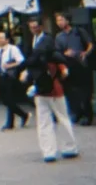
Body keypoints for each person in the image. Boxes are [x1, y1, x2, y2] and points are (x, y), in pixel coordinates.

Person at [21, 18, 79, 162]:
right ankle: (66, 148)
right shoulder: (49, 46)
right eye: (31, 27)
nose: (33, 29)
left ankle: (51, 151)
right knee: (59, 118)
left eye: (35, 27)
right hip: (51, 87)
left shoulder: (35, 46)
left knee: (47, 120)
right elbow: (62, 67)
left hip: (42, 86)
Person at [54, 11, 94, 126]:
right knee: (72, 92)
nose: (59, 23)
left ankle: (87, 115)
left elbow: (90, 44)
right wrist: (64, 54)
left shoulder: (79, 31)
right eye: (57, 21)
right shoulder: (59, 37)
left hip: (81, 64)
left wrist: (85, 53)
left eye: (61, 20)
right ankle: (77, 113)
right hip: (69, 65)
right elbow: (57, 52)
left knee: (85, 92)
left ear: (67, 20)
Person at [0, 31, 29, 131]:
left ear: (7, 40)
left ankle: (10, 123)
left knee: (9, 99)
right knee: (5, 100)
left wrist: (10, 65)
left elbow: (21, 61)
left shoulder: (13, 49)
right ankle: (23, 115)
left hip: (10, 77)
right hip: (1, 76)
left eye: (1, 38)